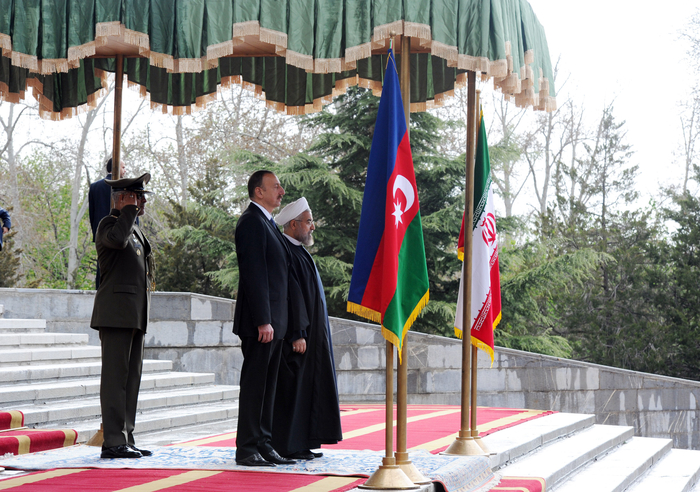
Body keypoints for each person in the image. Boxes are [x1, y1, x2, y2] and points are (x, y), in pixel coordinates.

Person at [271, 198, 343, 460]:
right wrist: (298, 333)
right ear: (293, 224)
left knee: (309, 387)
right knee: (295, 390)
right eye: (309, 221)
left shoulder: (299, 251)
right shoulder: (286, 252)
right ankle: (290, 445)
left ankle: (305, 441)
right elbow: (292, 296)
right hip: (299, 337)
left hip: (313, 336)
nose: (312, 227)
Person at [233, 170, 295, 467]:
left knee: (268, 387)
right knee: (256, 386)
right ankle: (247, 447)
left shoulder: (267, 223)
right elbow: (254, 273)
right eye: (276, 187)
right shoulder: (251, 222)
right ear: (259, 192)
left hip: (275, 322)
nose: (281, 191)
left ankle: (264, 443)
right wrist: (263, 320)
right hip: (262, 324)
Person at [90, 173, 154, 459]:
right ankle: (113, 440)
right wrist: (126, 210)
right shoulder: (108, 225)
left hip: (135, 314)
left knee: (132, 378)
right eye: (137, 197)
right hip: (115, 314)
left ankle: (126, 435)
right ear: (122, 198)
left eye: (141, 197)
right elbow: (116, 241)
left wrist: (131, 211)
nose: (142, 201)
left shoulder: (136, 230)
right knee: (116, 379)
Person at [89, 158, 126, 288]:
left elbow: (92, 214)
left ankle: (100, 291)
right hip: (121, 233)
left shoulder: (95, 187)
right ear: (116, 168)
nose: (125, 171)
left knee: (102, 265)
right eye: (123, 167)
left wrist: (96, 235)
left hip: (101, 234)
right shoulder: (125, 187)